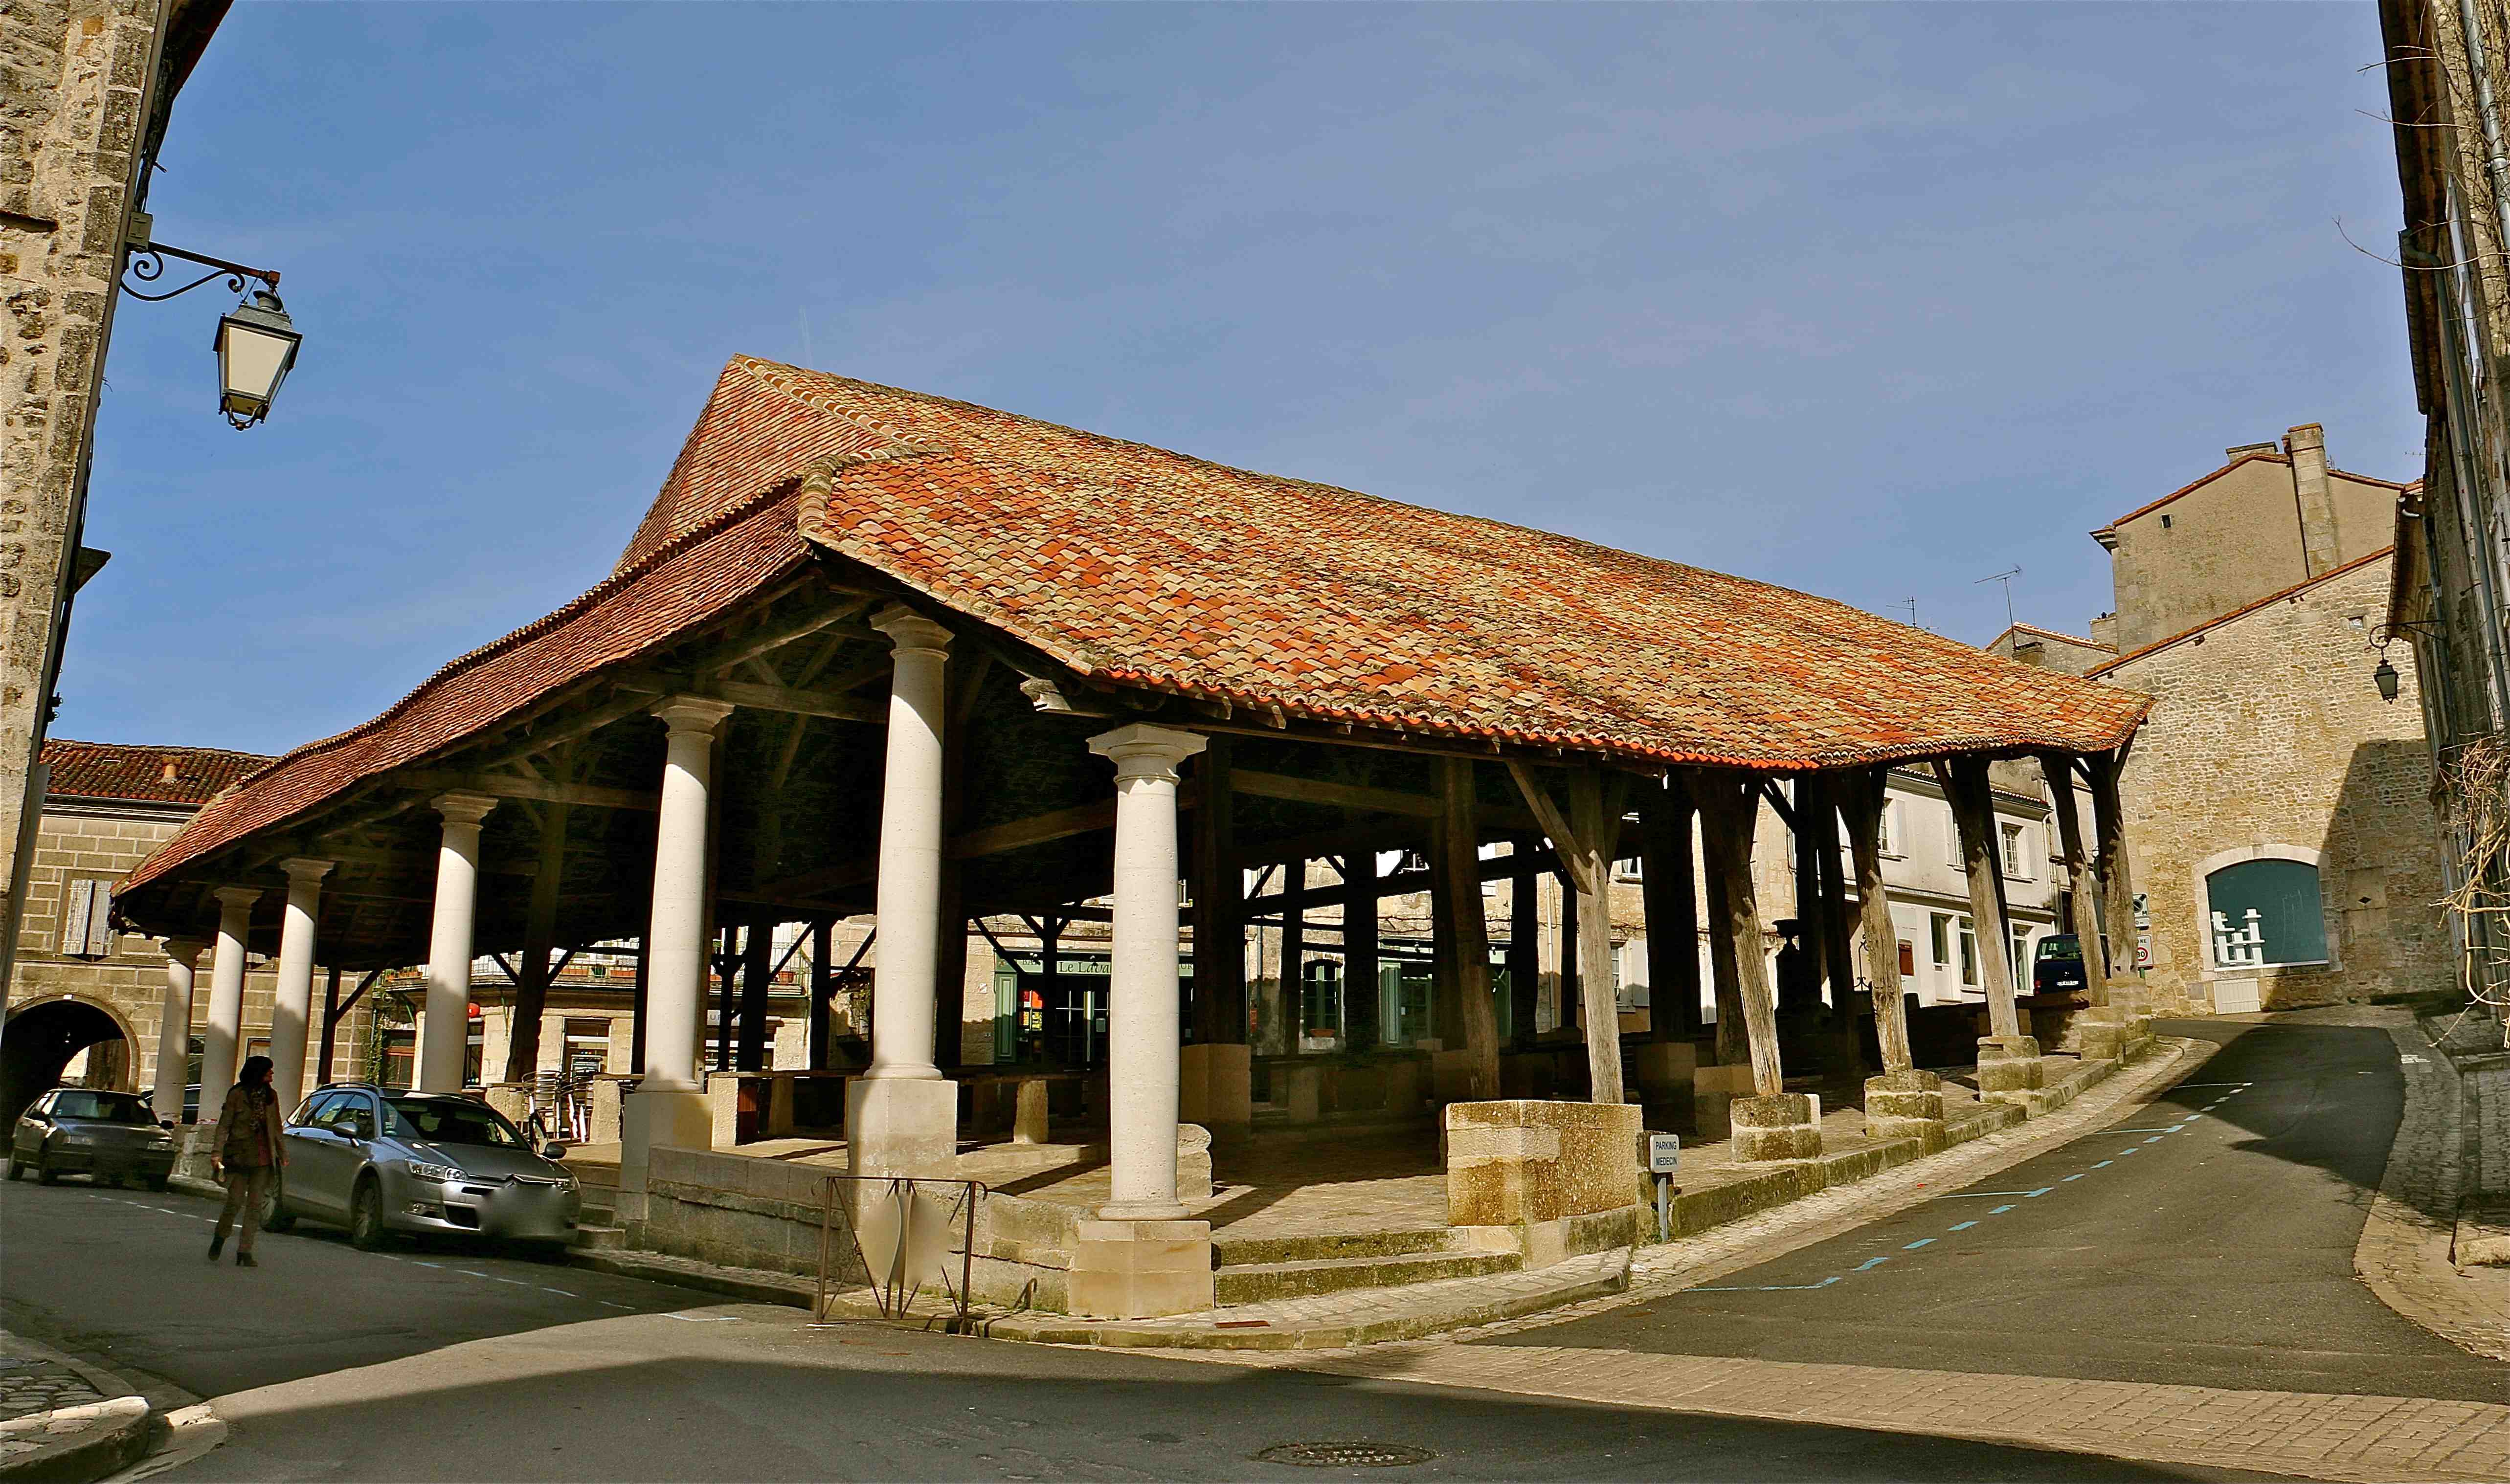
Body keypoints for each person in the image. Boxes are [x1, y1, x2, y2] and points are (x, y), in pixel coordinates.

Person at [207, 1056, 287, 1267]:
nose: (272, 1075)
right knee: (234, 1202)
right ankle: (220, 1237)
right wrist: (217, 1154)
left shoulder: (272, 1097)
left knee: (255, 1206)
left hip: (263, 1158)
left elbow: (276, 1127)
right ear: (257, 1073)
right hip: (239, 1157)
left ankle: (245, 1251)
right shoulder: (237, 1095)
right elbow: (224, 1126)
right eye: (268, 1071)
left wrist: (282, 1154)